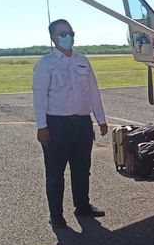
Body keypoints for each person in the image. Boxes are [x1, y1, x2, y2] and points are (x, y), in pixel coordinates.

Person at [32, 19, 108, 229]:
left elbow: (93, 91)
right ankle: (56, 215)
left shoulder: (82, 60)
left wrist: (100, 119)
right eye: (62, 33)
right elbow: (40, 97)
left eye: (70, 32)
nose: (68, 36)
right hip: (57, 125)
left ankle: (82, 206)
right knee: (55, 173)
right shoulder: (46, 63)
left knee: (82, 169)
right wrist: (42, 126)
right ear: (53, 38)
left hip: (82, 124)